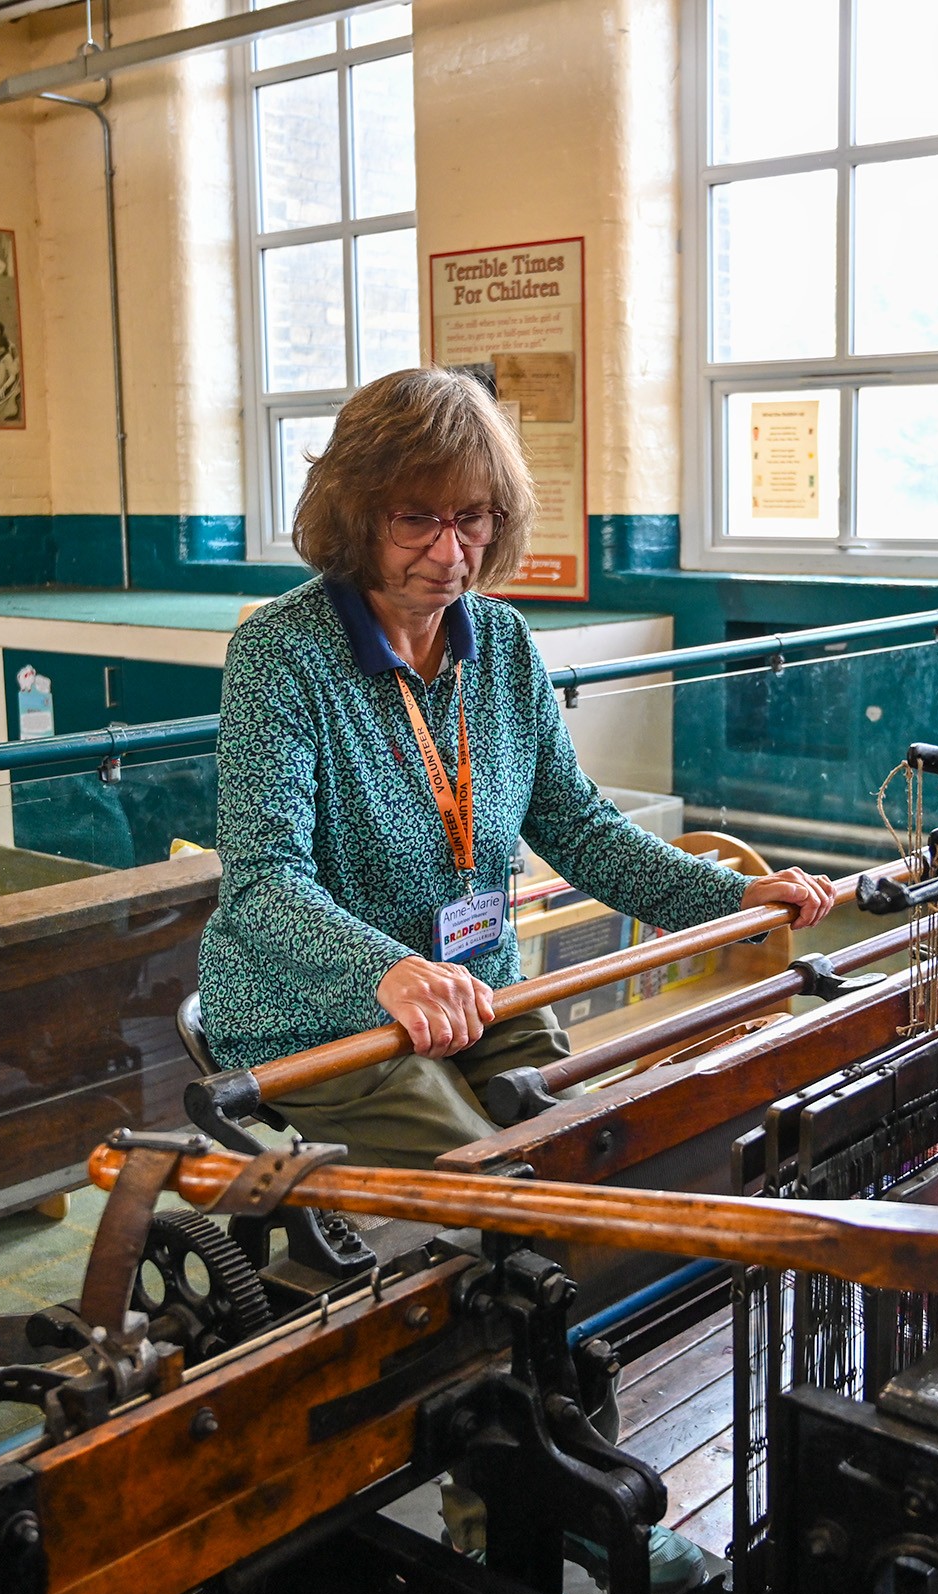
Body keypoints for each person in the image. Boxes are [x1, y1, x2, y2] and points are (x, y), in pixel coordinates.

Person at [199, 366, 834, 1172]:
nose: (449, 550)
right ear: (355, 515)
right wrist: (385, 969)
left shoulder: (500, 642)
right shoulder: (280, 653)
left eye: (472, 519)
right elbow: (262, 881)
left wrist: (733, 895)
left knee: (594, 1152)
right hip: (317, 1012)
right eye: (415, 519)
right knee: (509, 1185)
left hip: (478, 991)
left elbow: (581, 827)